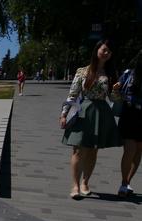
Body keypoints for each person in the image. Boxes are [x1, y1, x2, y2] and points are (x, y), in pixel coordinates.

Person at [60, 39, 123, 199]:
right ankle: (75, 185)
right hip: (83, 111)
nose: (106, 53)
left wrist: (116, 90)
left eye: (109, 51)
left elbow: (114, 100)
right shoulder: (82, 71)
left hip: (101, 112)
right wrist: (64, 113)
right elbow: (72, 94)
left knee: (93, 150)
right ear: (97, 50)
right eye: (104, 50)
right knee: (78, 149)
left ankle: (85, 183)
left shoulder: (111, 74)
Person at [117, 49, 142, 197]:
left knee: (139, 150)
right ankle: (123, 183)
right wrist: (116, 88)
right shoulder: (129, 74)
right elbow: (118, 91)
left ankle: (127, 182)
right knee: (130, 150)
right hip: (130, 114)